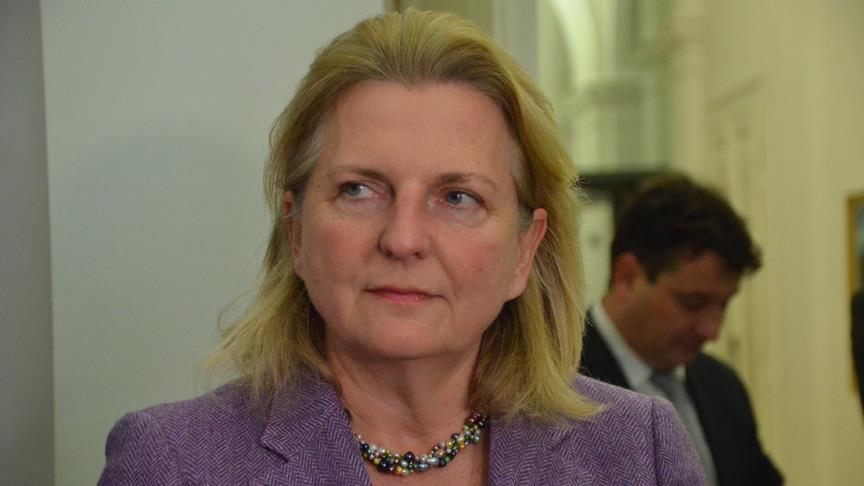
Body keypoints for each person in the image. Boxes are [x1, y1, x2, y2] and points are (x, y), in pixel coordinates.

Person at [98, 9, 704, 485]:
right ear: (296, 233)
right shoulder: (172, 463)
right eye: (359, 190)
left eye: (459, 197)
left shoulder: (637, 450)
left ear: (524, 252)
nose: (403, 239)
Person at [580, 174, 783, 486]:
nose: (712, 331)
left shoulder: (723, 387)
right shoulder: (553, 386)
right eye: (694, 302)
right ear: (628, 277)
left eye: (723, 304)